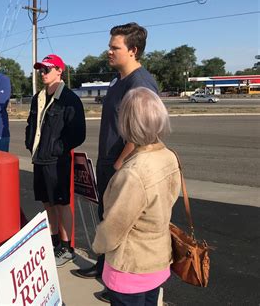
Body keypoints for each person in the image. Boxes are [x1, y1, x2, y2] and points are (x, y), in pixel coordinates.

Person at [73, 22, 158, 301]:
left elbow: (145, 131)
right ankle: (103, 270)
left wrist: (121, 163)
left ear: (132, 50)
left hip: (125, 167)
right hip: (109, 162)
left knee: (122, 228)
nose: (109, 51)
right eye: (110, 46)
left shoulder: (139, 83)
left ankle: (119, 288)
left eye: (114, 47)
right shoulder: (118, 80)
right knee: (106, 220)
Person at [92, 87, 181, 305]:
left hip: (130, 267)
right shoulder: (168, 156)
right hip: (157, 259)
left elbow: (114, 225)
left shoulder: (134, 172)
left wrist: (98, 245)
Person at [25, 54, 86, 267]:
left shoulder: (70, 99)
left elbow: (78, 133)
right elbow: (31, 124)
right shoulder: (38, 98)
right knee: (47, 203)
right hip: (39, 159)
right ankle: (53, 241)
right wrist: (29, 141)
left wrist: (57, 148)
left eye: (47, 69)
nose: (43, 73)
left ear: (60, 70)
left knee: (61, 203)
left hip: (56, 160)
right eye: (41, 70)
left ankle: (67, 247)